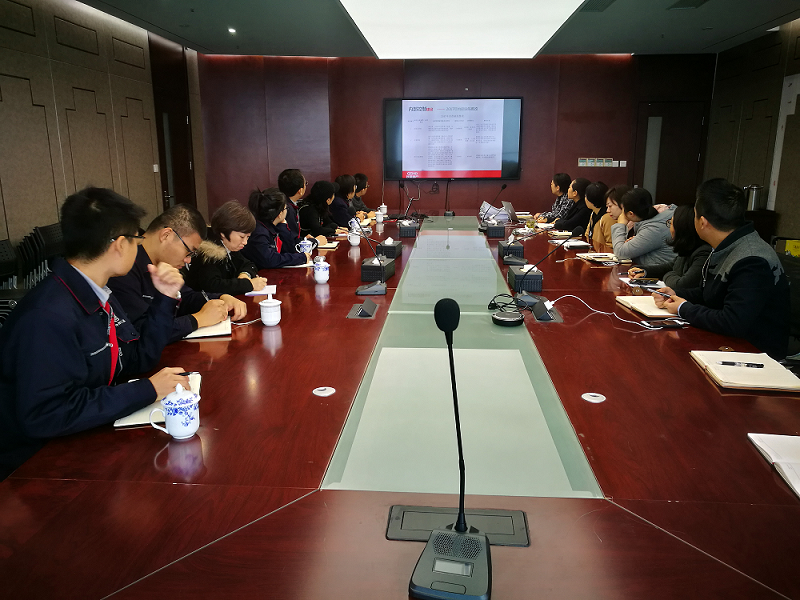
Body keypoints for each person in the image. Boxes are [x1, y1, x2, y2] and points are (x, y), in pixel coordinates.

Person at [0, 187, 188, 480]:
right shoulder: (47, 316)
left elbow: (136, 358)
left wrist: (165, 298)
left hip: (82, 438)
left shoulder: (97, 292)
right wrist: (146, 390)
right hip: (34, 468)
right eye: (136, 240)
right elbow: (46, 415)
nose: (138, 248)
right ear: (120, 244)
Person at [654, 179, 790, 359]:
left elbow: (733, 322)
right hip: (725, 343)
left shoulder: (752, 260)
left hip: (753, 354)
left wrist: (683, 308)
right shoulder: (727, 244)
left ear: (702, 222)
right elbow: (710, 294)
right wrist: (676, 293)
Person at [108, 205, 247, 344]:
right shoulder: (124, 269)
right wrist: (198, 320)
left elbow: (185, 297)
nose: (188, 260)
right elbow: (141, 331)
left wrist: (222, 298)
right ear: (166, 235)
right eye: (188, 251)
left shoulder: (162, 264)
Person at [184, 201, 268, 295]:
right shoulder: (209, 252)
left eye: (248, 237)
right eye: (241, 237)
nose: (245, 242)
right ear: (223, 233)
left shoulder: (230, 245)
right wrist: (248, 285)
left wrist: (245, 274)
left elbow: (249, 264)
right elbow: (213, 285)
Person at [628, 203, 711, 288]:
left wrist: (668, 275)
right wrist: (643, 271)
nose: (669, 229)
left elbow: (681, 284)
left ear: (680, 227)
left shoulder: (703, 253)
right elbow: (669, 267)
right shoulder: (687, 249)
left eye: (670, 223)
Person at [241, 188, 311, 269]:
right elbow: (270, 259)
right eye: (286, 208)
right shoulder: (259, 232)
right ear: (280, 214)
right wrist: (300, 258)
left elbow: (290, 250)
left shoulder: (272, 225)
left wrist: (283, 226)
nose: (287, 211)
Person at [610, 188, 676, 266]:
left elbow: (620, 253)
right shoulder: (661, 217)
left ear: (631, 214)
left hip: (660, 271)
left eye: (623, 209)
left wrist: (620, 224)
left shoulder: (653, 228)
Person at [276, 169, 327, 248]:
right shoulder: (286, 209)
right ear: (300, 190)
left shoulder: (284, 204)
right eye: (305, 183)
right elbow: (291, 244)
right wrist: (316, 241)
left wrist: (303, 239)